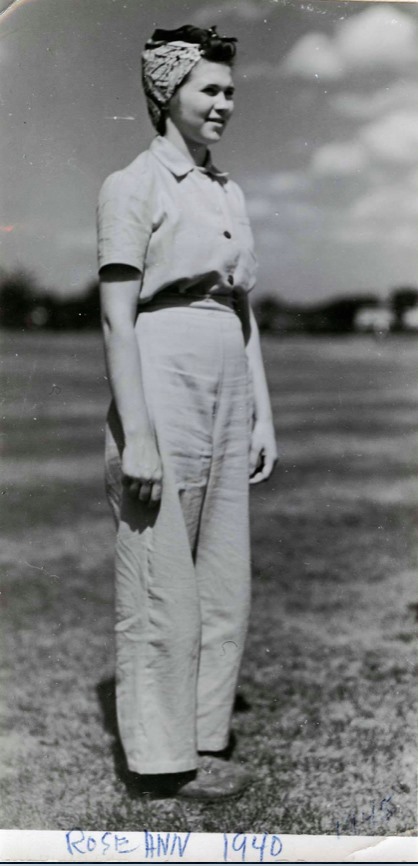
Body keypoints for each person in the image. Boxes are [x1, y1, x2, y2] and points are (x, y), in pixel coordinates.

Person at [97, 24, 277, 801]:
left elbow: (244, 314)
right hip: (160, 371)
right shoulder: (131, 185)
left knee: (222, 577)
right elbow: (114, 315)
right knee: (161, 577)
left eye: (230, 90)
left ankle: (203, 738)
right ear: (168, 93)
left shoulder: (228, 192)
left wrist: (262, 414)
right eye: (210, 89)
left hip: (227, 381)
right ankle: (162, 761)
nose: (224, 103)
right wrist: (136, 433)